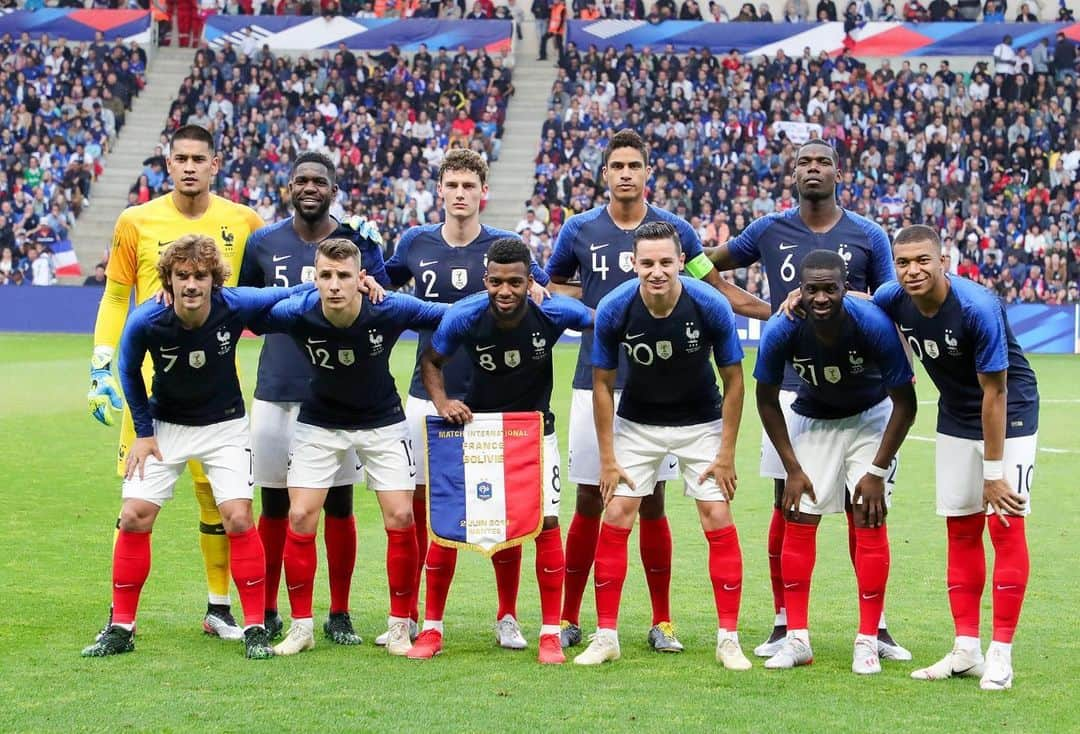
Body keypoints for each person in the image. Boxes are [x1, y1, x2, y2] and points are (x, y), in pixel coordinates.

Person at [546, 128, 768, 653]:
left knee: (653, 503)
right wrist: (593, 313)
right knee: (589, 498)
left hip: (665, 392)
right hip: (596, 379)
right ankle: (571, 616)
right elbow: (554, 285)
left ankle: (661, 621)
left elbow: (711, 285)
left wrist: (769, 310)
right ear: (604, 174)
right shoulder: (579, 230)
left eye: (634, 165)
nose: (625, 173)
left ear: (648, 173)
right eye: (616, 165)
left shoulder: (676, 232)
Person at [705, 138, 908, 661]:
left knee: (859, 504)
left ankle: (876, 625)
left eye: (822, 162)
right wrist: (764, 310)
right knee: (788, 502)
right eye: (804, 162)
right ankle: (783, 622)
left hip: (857, 387)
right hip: (794, 389)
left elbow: (889, 299)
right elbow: (703, 267)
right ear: (792, 172)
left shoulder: (867, 234)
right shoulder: (770, 229)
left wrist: (835, 300)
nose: (812, 169)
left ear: (839, 172)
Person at [81, 235, 301, 660]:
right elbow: (128, 370)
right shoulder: (147, 320)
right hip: (165, 427)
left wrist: (356, 282)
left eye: (201, 275)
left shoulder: (233, 304)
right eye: (182, 276)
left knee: (238, 518)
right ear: (169, 279)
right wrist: (143, 433)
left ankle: (255, 627)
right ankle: (121, 626)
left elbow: (289, 292)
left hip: (225, 427)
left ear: (214, 280)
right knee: (133, 517)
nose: (192, 284)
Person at [87, 125, 264, 641]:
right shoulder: (135, 221)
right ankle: (120, 619)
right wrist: (103, 363)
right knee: (136, 507)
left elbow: (270, 285)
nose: (189, 166)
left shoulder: (243, 221)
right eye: (180, 158)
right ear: (168, 163)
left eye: (198, 158)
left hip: (216, 389)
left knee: (221, 503)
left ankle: (220, 608)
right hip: (148, 395)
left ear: (215, 163)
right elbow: (118, 296)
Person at [382, 149, 550, 650]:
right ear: (440, 190)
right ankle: (411, 616)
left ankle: (507, 615)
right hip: (426, 394)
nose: (460, 194)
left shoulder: (504, 246)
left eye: (468, 186)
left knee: (510, 509)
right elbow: (384, 295)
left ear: (482, 193)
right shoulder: (415, 242)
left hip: (493, 398)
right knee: (423, 507)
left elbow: (539, 293)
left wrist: (542, 292)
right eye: (452, 185)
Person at [253, 238, 447, 657]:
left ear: (361, 278)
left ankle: (399, 626)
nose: (335, 285)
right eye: (325, 276)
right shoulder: (298, 312)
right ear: (315, 278)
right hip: (320, 423)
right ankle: (301, 627)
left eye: (344, 276)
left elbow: (448, 314)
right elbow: (240, 306)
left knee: (399, 515)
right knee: (301, 516)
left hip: (382, 422)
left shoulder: (388, 308)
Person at [573, 221, 749, 669]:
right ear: (634, 264)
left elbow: (734, 380)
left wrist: (726, 452)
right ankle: (606, 634)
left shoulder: (709, 303)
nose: (657, 271)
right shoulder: (615, 307)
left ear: (679, 263)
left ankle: (728, 638)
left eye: (666, 262)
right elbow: (601, 384)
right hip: (638, 423)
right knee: (616, 512)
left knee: (716, 514)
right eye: (647, 263)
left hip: (701, 423)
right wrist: (608, 459)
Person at [408, 238, 591, 663]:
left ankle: (546, 633)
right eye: (496, 282)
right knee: (449, 523)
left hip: (532, 432)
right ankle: (432, 629)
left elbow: (600, 320)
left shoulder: (552, 312)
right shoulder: (465, 315)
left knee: (544, 523)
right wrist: (443, 403)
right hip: (477, 430)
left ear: (530, 282)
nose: (504, 291)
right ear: (484, 279)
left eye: (514, 282)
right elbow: (431, 362)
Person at [876, 225, 1039, 691]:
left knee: (1005, 525)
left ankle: (1001, 656)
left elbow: (997, 391)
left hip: (1011, 416)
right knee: (960, 527)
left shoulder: (977, 307)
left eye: (923, 260)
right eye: (903, 262)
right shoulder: (894, 296)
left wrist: (993, 473)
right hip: (954, 416)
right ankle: (966, 649)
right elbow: (860, 304)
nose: (913, 270)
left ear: (943, 260)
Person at [238, 151, 390, 644]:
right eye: (300, 179)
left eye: (318, 181)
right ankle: (267, 608)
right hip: (277, 391)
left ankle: (339, 613)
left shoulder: (357, 240)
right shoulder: (263, 243)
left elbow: (382, 302)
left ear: (333, 189)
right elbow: (246, 310)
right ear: (288, 187)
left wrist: (373, 274)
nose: (309, 187)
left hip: (337, 397)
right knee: (276, 504)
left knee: (339, 506)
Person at [755, 250, 917, 674]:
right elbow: (767, 401)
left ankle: (868, 639)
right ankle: (797, 639)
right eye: (813, 290)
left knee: (868, 517)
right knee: (799, 518)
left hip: (871, 417)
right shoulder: (781, 329)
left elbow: (906, 403)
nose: (822, 298)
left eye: (831, 288)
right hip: (812, 420)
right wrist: (791, 467)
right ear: (800, 291)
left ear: (846, 288)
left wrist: (877, 471)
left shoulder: (873, 324)